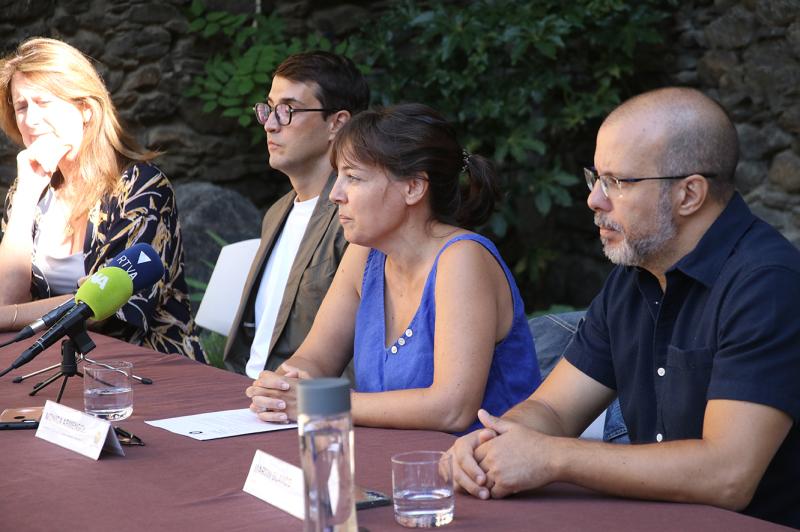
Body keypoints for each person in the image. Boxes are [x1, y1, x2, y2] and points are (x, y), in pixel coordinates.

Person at [448, 87, 800, 528]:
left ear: (689, 194)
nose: (594, 199)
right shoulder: (636, 275)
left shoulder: (767, 284)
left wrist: (554, 457)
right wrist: (494, 441)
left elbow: (728, 475)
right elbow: (553, 410)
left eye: (616, 182)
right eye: (595, 178)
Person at [245, 104, 541, 433]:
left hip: (480, 460)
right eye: (338, 176)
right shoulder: (364, 254)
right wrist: (284, 387)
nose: (334, 195)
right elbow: (315, 358)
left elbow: (451, 408)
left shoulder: (462, 259)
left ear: (413, 187)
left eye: (353, 178)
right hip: (393, 456)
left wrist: (316, 401)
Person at [0, 37, 205, 362]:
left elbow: (101, 307)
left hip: (145, 366)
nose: (30, 119)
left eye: (43, 102)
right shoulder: (28, 188)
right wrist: (26, 193)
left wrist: (10, 317)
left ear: (85, 108)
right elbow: (6, 298)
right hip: (54, 364)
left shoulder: (142, 187)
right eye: (21, 106)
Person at [223, 51, 369, 378]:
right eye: (269, 108)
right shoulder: (277, 212)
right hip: (247, 388)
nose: (270, 125)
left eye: (288, 110)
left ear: (337, 123)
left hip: (305, 398)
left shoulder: (356, 220)